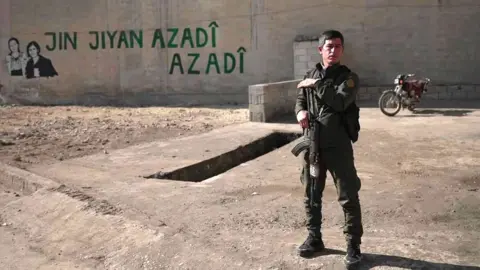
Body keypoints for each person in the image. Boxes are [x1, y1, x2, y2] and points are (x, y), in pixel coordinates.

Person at [294, 29, 363, 267]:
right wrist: (300, 111)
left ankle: (353, 246)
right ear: (320, 49)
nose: (333, 50)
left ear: (342, 50)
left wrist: (318, 84)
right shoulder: (310, 74)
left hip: (338, 146)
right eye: (328, 46)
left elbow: (340, 101)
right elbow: (301, 99)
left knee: (348, 195)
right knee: (311, 192)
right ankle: (314, 238)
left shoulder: (348, 78)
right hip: (312, 144)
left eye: (337, 46)